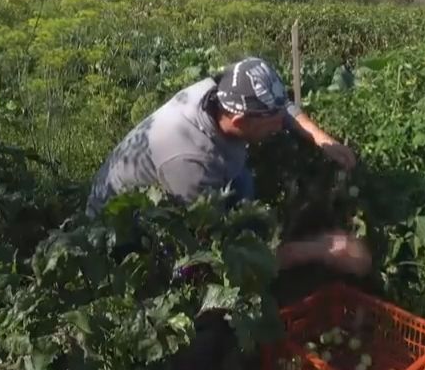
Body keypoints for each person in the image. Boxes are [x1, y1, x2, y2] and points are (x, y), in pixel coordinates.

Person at [86, 56, 372, 276]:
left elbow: (281, 108)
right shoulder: (190, 162)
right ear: (239, 122)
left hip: (188, 177)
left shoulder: (222, 89)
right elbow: (218, 256)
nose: (279, 126)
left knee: (243, 183)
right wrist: (321, 250)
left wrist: (322, 140)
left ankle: (252, 238)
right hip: (123, 232)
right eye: (271, 123)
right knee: (200, 268)